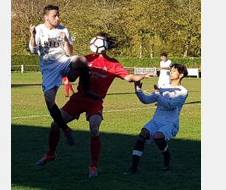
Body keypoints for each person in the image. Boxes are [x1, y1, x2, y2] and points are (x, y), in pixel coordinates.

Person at [35, 32, 157, 178]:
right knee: (55, 125)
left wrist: (143, 76)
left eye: (103, 41)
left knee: (94, 128)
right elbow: (73, 77)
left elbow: (129, 77)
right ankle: (51, 154)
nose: (99, 42)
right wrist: (63, 70)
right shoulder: (86, 59)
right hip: (78, 98)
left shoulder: (113, 63)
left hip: (95, 101)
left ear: (105, 45)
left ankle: (94, 166)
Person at [29, 5, 100, 147]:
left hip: (62, 61)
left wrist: (66, 40)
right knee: (49, 101)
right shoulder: (39, 29)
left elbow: (69, 52)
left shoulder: (63, 30)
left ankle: (85, 91)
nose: (57, 18)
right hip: (49, 69)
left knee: (82, 60)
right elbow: (32, 50)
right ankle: (65, 129)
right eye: (54, 16)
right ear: (46, 17)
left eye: (58, 15)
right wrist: (32, 35)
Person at [124, 63, 188, 175]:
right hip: (156, 120)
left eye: (174, 71)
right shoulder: (163, 88)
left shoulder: (183, 92)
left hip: (170, 122)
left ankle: (167, 157)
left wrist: (158, 94)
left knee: (159, 137)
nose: (171, 72)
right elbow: (146, 100)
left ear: (181, 74)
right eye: (171, 70)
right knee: (143, 134)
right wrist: (138, 89)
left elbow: (170, 105)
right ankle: (133, 167)